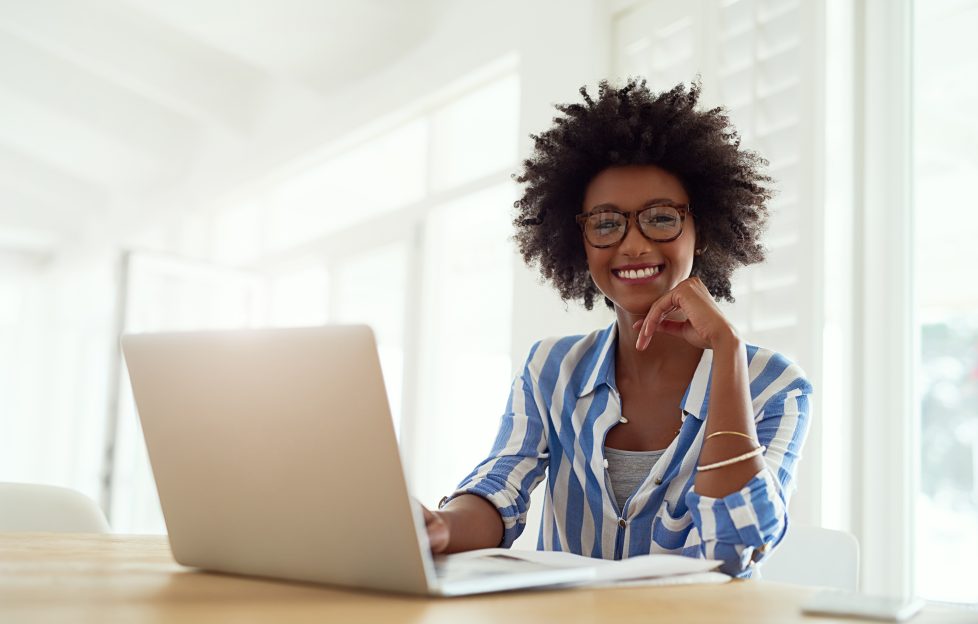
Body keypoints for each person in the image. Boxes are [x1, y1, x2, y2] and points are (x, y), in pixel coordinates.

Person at [421, 79, 812, 577]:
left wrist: (727, 350)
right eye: (607, 224)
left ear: (703, 231)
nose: (632, 245)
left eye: (661, 218)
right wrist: (440, 527)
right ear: (578, 241)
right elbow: (501, 489)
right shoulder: (551, 369)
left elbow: (735, 548)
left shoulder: (775, 385)